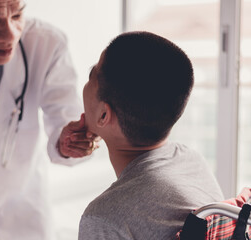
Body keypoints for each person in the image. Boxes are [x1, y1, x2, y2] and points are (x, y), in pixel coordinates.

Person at [0, 0, 99, 239]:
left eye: (17, 15)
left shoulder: (45, 42)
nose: (10, 33)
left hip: (23, 214)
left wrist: (69, 140)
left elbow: (65, 114)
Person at [78, 31, 224, 239]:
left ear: (104, 114)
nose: (86, 83)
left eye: (91, 74)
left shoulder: (104, 219)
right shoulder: (191, 161)